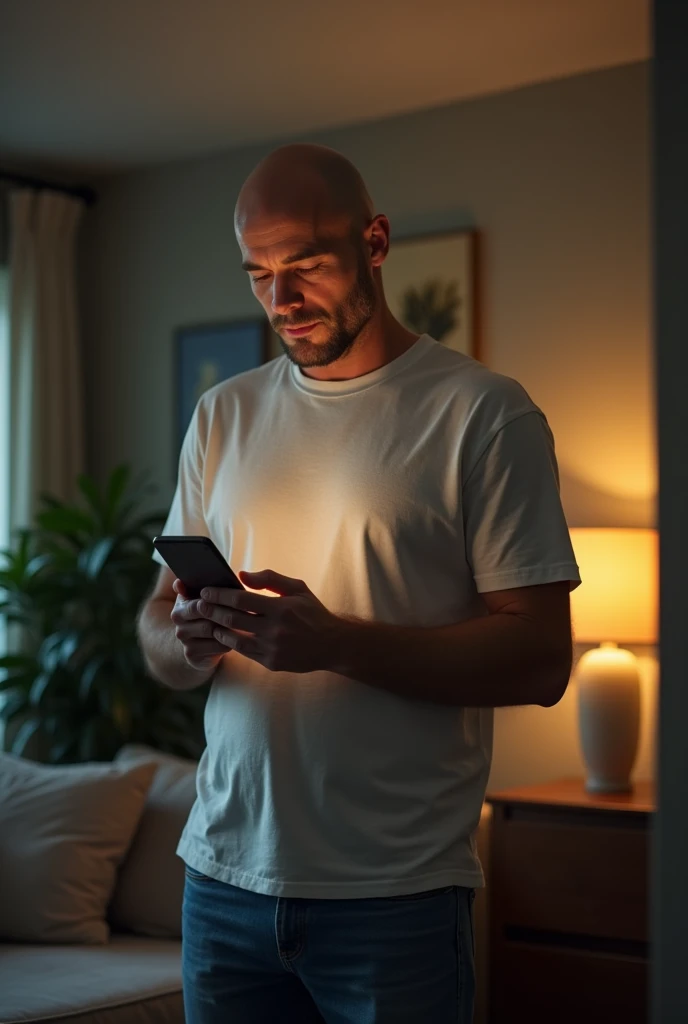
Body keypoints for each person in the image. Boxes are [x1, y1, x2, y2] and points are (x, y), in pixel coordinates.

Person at [138, 143, 581, 1024]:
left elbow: (539, 659)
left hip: (396, 896)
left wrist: (334, 643)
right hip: (222, 881)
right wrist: (187, 641)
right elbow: (155, 631)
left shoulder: (483, 414)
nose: (281, 300)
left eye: (305, 265)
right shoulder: (223, 416)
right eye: (259, 273)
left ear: (375, 242)